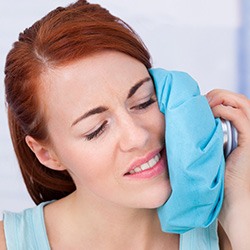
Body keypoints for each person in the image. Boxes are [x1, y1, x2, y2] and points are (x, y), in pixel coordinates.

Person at [1, 0, 250, 249]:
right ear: (47, 154)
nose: (137, 136)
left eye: (143, 102)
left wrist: (238, 204)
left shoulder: (233, 232)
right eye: (96, 129)